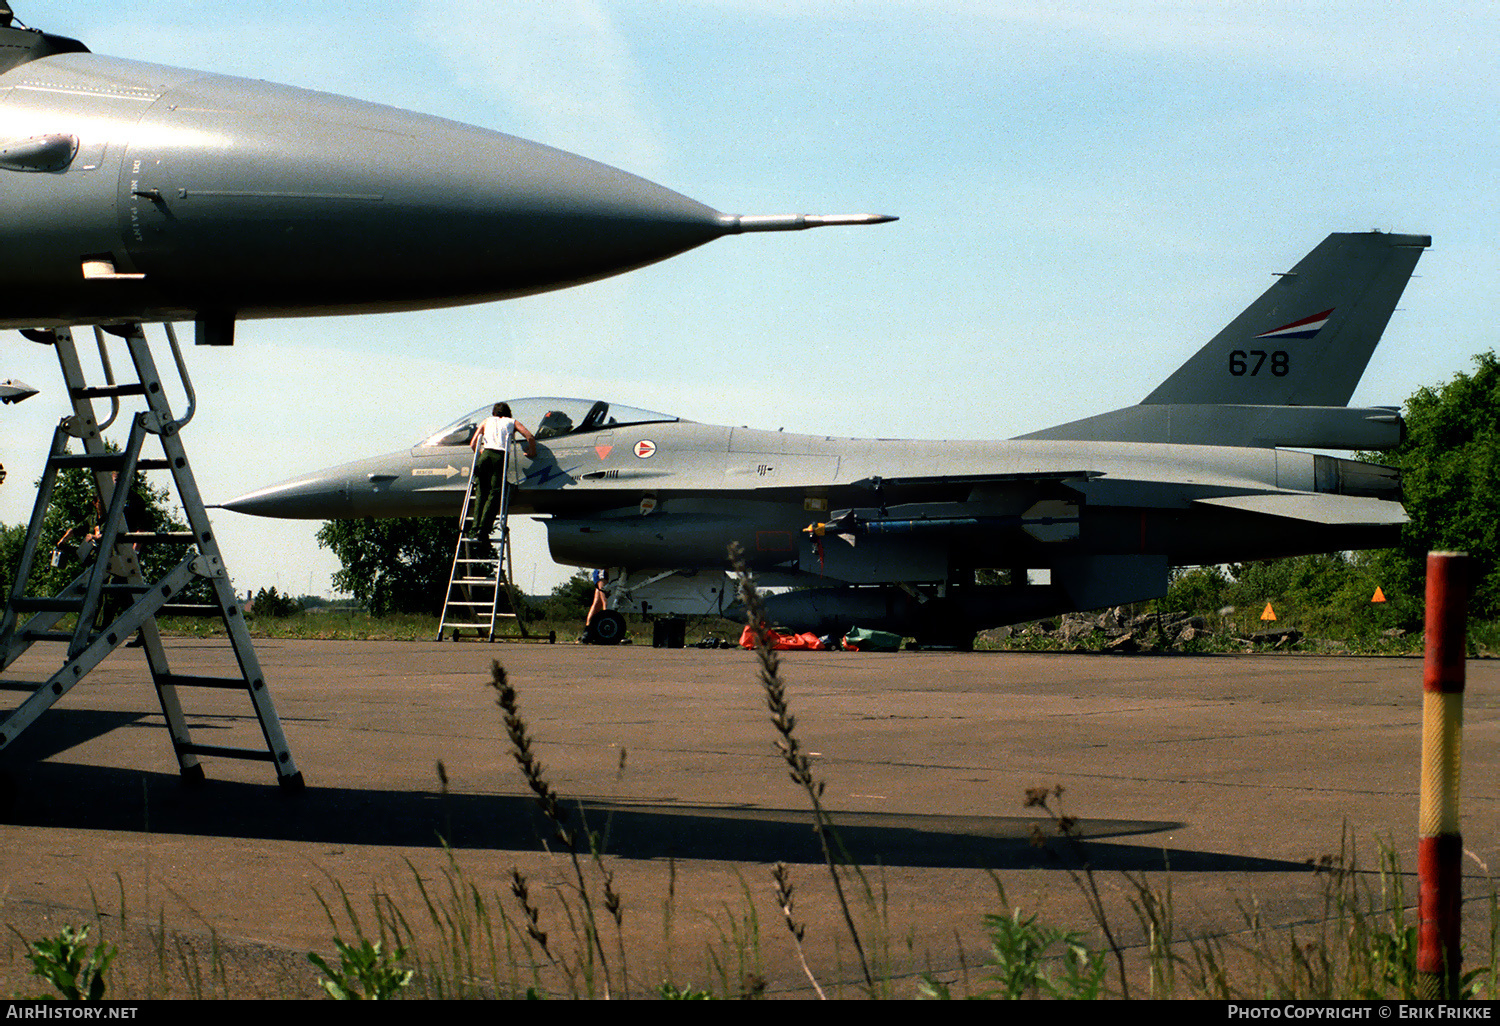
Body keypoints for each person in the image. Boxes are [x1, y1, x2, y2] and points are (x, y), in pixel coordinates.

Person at [468, 402, 537, 547]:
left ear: (494, 412)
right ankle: (484, 530)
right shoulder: (512, 422)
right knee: (495, 494)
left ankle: (474, 529)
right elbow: (530, 437)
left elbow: (473, 443)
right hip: (499, 457)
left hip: (485, 456)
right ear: (508, 412)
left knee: (481, 493)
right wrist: (532, 451)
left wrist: (481, 453)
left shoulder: (486, 421)